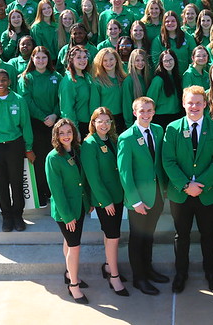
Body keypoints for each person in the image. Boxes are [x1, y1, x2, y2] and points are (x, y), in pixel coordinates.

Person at [161, 86, 213, 294]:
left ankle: (211, 273)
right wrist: (185, 185)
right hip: (181, 194)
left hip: (207, 194)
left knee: (208, 234)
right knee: (182, 235)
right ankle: (181, 274)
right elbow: (168, 161)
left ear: (205, 104)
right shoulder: (172, 129)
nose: (194, 106)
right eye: (190, 102)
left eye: (199, 103)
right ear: (183, 104)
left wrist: (201, 185)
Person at [117, 96, 169, 296]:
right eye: (142, 111)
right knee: (138, 239)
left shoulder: (157, 130)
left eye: (149, 110)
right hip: (138, 199)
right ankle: (139, 278)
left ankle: (148, 270)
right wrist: (135, 200)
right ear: (134, 113)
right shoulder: (126, 137)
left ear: (154, 112)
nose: (146, 114)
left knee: (149, 237)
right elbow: (125, 173)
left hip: (156, 195)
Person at [80, 107, 129, 295]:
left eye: (107, 121)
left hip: (117, 195)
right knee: (114, 236)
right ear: (93, 123)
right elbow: (93, 177)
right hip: (105, 200)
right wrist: (105, 200)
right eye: (99, 121)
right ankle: (114, 277)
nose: (104, 124)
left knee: (111, 235)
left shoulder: (113, 140)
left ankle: (109, 266)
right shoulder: (89, 144)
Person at [45, 118, 92, 304]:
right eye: (61, 133)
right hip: (67, 211)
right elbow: (56, 190)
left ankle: (69, 273)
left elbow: (82, 180)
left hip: (79, 206)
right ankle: (74, 286)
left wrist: (87, 201)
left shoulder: (77, 151)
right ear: (56, 135)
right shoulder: (53, 157)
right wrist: (67, 216)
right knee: (75, 246)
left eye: (69, 132)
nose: (66, 136)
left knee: (69, 241)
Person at [0, 69, 34, 232]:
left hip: (14, 145)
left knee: (16, 181)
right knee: (1, 182)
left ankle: (18, 215)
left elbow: (26, 125)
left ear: (9, 82)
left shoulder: (18, 100)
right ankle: (7, 217)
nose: (1, 83)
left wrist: (29, 147)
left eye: (4, 79)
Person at [18, 46, 62, 208]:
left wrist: (54, 115)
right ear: (32, 60)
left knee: (55, 158)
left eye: (44, 58)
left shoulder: (56, 76)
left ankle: (54, 192)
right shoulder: (27, 78)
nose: (41, 61)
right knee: (39, 159)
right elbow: (26, 100)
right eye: (38, 58)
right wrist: (43, 117)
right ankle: (41, 193)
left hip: (54, 123)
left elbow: (61, 98)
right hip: (36, 124)